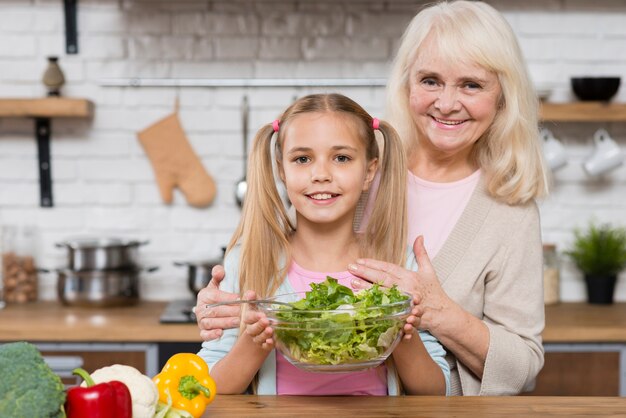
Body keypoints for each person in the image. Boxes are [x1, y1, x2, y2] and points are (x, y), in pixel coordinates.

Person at [196, 0, 548, 396]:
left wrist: (436, 313)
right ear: (406, 85)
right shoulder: (348, 173)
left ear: (502, 96)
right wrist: (221, 310)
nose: (447, 103)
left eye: (471, 84)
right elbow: (267, 272)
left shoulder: (508, 213)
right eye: (430, 80)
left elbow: (520, 368)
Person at [196, 93, 451, 396]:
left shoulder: (397, 265)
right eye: (302, 159)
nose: (320, 175)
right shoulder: (250, 261)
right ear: (281, 169)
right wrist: (253, 344)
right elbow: (209, 385)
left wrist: (401, 332)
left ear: (369, 172)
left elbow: (436, 389)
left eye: (341, 158)